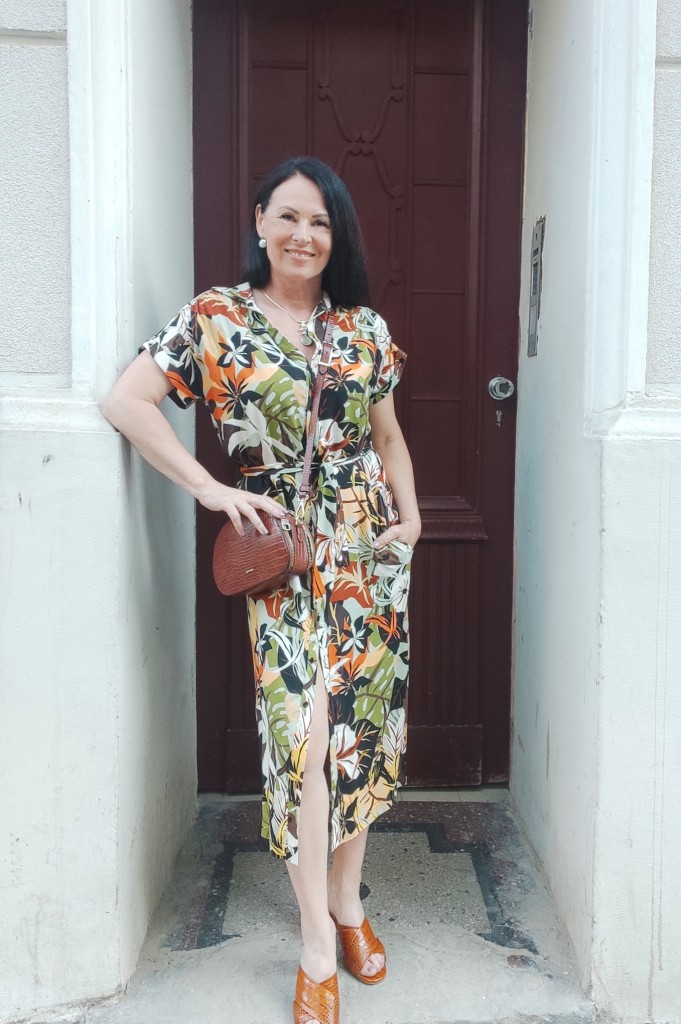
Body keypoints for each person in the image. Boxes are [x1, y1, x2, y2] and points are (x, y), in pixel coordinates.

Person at [102, 155, 420, 1024]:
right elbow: (128, 403)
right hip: (278, 556)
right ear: (258, 222)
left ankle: (347, 905)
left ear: (336, 235)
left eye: (320, 222)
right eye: (288, 216)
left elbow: (388, 437)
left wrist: (411, 519)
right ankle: (315, 941)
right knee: (303, 737)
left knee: (358, 731)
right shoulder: (215, 317)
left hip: (365, 554)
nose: (303, 235)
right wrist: (210, 488)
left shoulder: (361, 329)